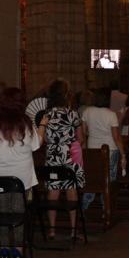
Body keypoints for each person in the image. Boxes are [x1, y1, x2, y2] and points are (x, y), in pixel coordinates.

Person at [0, 87, 41, 258]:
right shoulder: (25, 124)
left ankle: (4, 249)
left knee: (1, 212)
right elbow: (36, 146)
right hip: (22, 178)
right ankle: (18, 250)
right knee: (18, 213)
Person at [38, 79, 85, 239]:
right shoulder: (72, 113)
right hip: (70, 154)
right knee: (72, 192)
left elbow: (41, 139)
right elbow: (81, 138)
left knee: (53, 192)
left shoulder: (46, 114)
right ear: (66, 94)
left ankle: (51, 230)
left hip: (52, 154)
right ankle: (73, 231)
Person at [81, 87, 126, 209]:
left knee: (93, 179)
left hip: (92, 151)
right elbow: (116, 137)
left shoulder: (87, 111)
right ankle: (106, 208)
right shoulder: (111, 114)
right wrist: (123, 155)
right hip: (110, 150)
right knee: (109, 181)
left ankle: (83, 209)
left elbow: (84, 132)